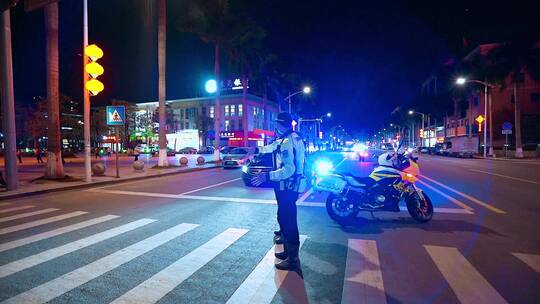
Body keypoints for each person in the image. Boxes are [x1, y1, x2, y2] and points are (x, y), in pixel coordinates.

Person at [251, 112, 307, 273]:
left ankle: (293, 260)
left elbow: (289, 169)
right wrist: (256, 149)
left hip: (287, 187)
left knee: (288, 221)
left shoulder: (287, 141)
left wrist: (267, 176)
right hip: (288, 186)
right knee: (284, 218)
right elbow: (272, 146)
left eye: (277, 124)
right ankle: (289, 253)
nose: (275, 126)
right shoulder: (290, 137)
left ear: (282, 125)